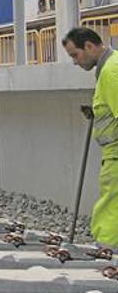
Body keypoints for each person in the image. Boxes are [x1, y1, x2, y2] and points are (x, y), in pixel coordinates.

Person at [62, 27, 118, 250]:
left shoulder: (111, 71)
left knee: (111, 205)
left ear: (89, 46)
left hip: (116, 155)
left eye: (75, 55)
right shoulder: (111, 66)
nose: (75, 62)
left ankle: (107, 253)